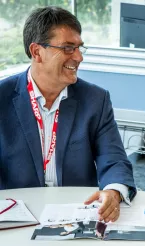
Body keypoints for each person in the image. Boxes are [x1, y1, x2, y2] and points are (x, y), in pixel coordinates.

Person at [0, 6, 136, 223]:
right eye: (68, 48)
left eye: (80, 48)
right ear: (37, 52)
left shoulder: (95, 99)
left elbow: (114, 160)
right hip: (15, 217)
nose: (79, 57)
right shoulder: (3, 97)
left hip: (77, 215)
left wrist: (113, 191)